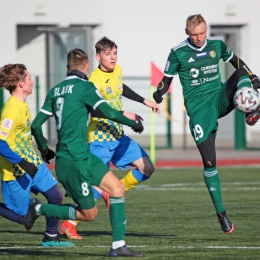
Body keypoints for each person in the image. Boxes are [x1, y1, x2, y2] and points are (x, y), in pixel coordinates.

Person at [28, 49, 145, 257]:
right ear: (88, 67)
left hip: (82, 156)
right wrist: (131, 121)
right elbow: (107, 112)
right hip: (73, 161)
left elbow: (36, 126)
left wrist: (44, 150)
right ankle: (38, 209)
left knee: (117, 188)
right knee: (88, 214)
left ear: (67, 68)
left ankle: (118, 245)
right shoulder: (85, 87)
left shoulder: (55, 91)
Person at [152, 14, 260, 234]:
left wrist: (254, 78)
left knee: (240, 74)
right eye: (194, 34)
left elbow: (236, 62)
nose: (199, 38)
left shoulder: (216, 45)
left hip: (219, 98)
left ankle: (252, 110)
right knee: (210, 163)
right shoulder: (177, 52)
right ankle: (221, 214)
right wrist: (159, 93)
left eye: (201, 33)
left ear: (206, 30)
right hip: (200, 112)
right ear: (187, 33)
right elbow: (167, 79)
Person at [59, 36, 159, 240]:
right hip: (100, 138)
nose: (112, 57)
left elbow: (122, 88)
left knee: (147, 167)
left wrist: (144, 101)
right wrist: (126, 115)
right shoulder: (93, 80)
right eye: (108, 54)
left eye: (115, 53)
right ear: (98, 56)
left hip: (118, 135)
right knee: (96, 185)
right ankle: (69, 223)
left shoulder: (118, 70)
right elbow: (95, 112)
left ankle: (110, 192)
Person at [0, 63, 74, 247]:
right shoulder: (11, 110)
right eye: (29, 78)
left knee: (56, 197)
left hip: (33, 163)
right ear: (20, 84)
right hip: (16, 170)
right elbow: (1, 142)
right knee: (24, 218)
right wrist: (22, 164)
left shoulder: (22, 104)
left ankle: (51, 237)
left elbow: (25, 133)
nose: (32, 81)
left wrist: (42, 150)